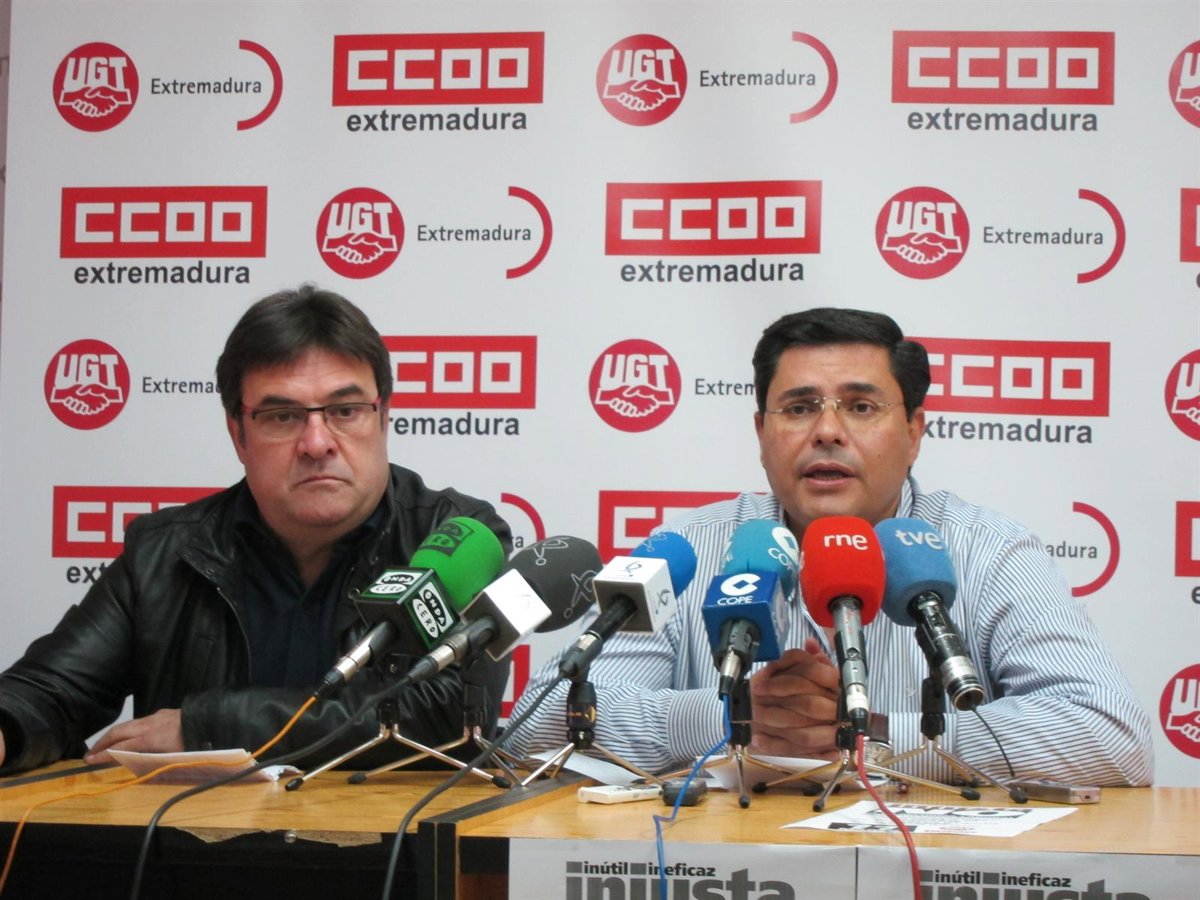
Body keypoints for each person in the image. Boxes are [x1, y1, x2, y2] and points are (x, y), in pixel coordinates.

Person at [507, 308, 1153, 787]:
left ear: (914, 431)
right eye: (798, 408)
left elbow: (1111, 734)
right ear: (761, 433)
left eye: (861, 407)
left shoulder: (990, 551)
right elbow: (535, 725)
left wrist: (872, 733)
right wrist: (733, 720)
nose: (827, 431)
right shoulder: (685, 549)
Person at [0, 285, 512, 774]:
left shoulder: (455, 537)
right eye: (282, 416)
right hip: (192, 834)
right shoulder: (165, 553)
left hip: (388, 836)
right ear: (237, 434)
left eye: (345, 411)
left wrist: (209, 727)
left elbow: (448, 714)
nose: (317, 443)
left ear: (384, 418)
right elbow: (51, 691)